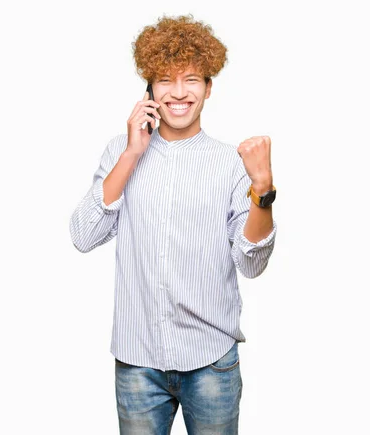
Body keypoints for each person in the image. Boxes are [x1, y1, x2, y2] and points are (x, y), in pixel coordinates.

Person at [69, 14, 278, 435]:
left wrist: (263, 189)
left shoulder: (229, 164)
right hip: (137, 361)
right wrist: (131, 154)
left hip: (211, 363)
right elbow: (83, 235)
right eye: (165, 79)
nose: (179, 93)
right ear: (149, 88)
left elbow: (251, 263)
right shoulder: (121, 151)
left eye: (192, 80)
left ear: (209, 87)